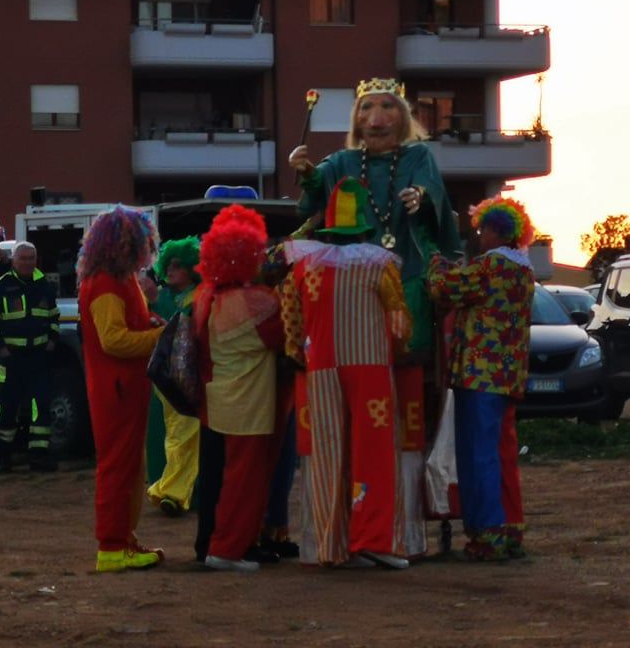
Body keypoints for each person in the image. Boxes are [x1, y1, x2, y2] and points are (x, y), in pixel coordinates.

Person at [289, 77, 462, 555]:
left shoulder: (417, 156)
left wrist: (421, 198)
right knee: (343, 424)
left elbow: (433, 194)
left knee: (405, 412)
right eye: (367, 108)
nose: (377, 117)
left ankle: (400, 531)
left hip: (406, 283)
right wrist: (305, 171)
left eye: (387, 107)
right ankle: (343, 533)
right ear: (356, 118)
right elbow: (315, 192)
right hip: (352, 300)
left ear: (402, 116)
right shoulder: (344, 162)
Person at [282, 177, 412, 569]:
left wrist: (301, 353)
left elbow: (291, 320)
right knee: (374, 451)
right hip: (370, 366)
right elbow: (399, 323)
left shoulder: (304, 266)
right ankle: (374, 540)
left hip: (321, 368)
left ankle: (332, 545)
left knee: (327, 454)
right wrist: (398, 351)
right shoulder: (379, 265)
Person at [427, 195, 536, 561]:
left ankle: (487, 535)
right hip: (509, 375)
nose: (478, 236)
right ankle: (510, 529)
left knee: (478, 455)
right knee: (502, 454)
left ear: (495, 232)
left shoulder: (491, 266)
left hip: (480, 375)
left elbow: (445, 288)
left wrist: (435, 263)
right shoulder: (523, 271)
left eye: (482, 230)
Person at [192, 205, 284, 572]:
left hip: (214, 399)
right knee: (243, 481)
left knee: (216, 479)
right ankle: (228, 550)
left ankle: (217, 544)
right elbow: (285, 335)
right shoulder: (259, 302)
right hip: (247, 406)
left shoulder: (205, 297)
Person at [77, 207, 166, 572]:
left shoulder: (118, 279)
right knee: (118, 466)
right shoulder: (106, 283)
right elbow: (113, 340)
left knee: (129, 465)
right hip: (117, 390)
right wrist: (159, 336)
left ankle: (123, 539)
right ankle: (112, 545)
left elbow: (126, 325)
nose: (144, 251)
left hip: (125, 388)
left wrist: (150, 322)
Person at [146, 237, 201, 517]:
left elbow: (192, 331)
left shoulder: (199, 296)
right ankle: (163, 484)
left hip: (188, 379)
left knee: (186, 435)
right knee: (162, 434)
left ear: (192, 268)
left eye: (178, 265)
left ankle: (176, 493)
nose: (170, 270)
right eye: (168, 265)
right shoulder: (161, 295)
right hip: (162, 380)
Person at [0, 242, 60, 473]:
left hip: (38, 358)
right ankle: (2, 457)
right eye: (22, 258)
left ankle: (39, 456)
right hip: (10, 360)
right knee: (6, 407)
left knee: (40, 406)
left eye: (31, 258)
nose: (27, 262)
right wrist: (1, 349)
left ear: (36, 260)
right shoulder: (2, 286)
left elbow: (53, 315)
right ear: (13, 260)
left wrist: (52, 340)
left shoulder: (44, 285)